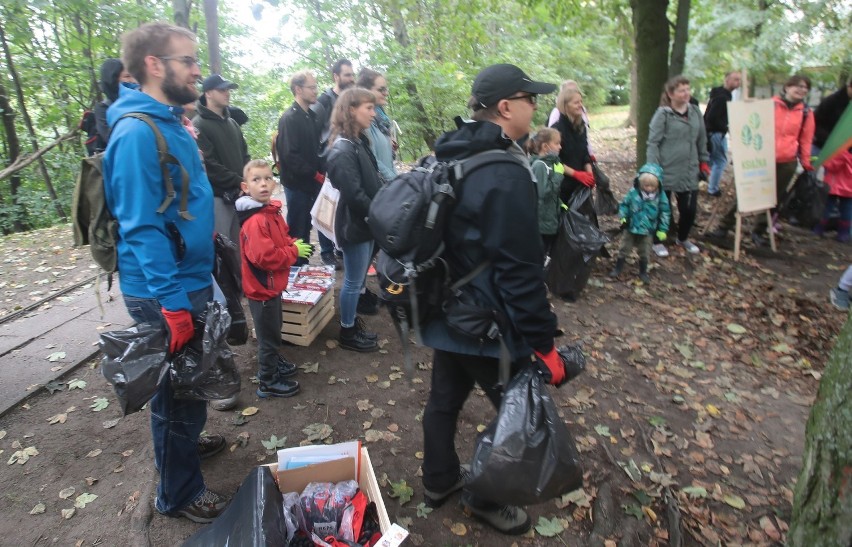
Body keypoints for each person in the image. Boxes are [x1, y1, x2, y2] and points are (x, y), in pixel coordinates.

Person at [418, 63, 563, 536]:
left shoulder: (449, 151)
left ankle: (439, 481)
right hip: (489, 322)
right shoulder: (506, 172)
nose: (536, 106)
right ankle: (485, 497)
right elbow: (519, 270)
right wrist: (543, 341)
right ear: (505, 107)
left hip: (447, 307)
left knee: (443, 402)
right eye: (530, 98)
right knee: (518, 417)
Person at [102, 21, 228, 523]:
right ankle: (176, 494)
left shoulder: (170, 121)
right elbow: (140, 228)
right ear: (155, 65)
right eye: (188, 60)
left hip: (188, 279)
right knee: (177, 396)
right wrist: (173, 303)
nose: (197, 70)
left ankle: (185, 450)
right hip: (164, 291)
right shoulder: (136, 132)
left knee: (189, 385)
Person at [707, 75, 815, 244]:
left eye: (805, 88)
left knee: (772, 199)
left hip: (787, 162)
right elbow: (750, 127)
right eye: (798, 86)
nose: (801, 90)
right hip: (762, 158)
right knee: (746, 193)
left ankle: (759, 232)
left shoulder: (806, 113)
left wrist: (806, 161)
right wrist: (744, 152)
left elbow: (806, 140)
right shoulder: (769, 105)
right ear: (787, 87)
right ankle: (723, 227)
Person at [236, 160, 310, 398]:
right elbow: (264, 257)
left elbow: (281, 238)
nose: (263, 183)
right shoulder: (256, 220)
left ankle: (274, 364)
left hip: (273, 286)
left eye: (267, 178)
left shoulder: (270, 211)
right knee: (268, 338)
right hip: (262, 289)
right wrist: (293, 253)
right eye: (256, 179)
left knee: (274, 329)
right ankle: (267, 380)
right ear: (245, 187)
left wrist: (290, 244)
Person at [325, 88, 382, 352]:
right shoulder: (342, 149)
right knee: (352, 281)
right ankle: (347, 330)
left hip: (367, 222)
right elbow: (354, 193)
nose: (373, 113)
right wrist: (376, 214)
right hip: (355, 223)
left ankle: (351, 323)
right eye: (368, 108)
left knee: (359, 281)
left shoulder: (358, 142)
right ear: (351, 110)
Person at [277, 70, 338, 268]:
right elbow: (289, 155)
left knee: (311, 225)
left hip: (313, 182)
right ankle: (295, 267)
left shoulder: (311, 116)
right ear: (298, 89)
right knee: (297, 228)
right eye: (311, 87)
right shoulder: (289, 118)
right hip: (297, 185)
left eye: (315, 87)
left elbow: (316, 149)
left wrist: (322, 170)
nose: (315, 91)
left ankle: (303, 265)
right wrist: (314, 174)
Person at [646, 75, 709, 257]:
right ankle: (657, 241)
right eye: (681, 90)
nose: (686, 93)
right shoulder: (663, 114)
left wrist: (704, 162)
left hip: (690, 170)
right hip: (665, 169)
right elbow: (653, 143)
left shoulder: (695, 112)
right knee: (662, 209)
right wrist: (652, 169)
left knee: (689, 210)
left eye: (688, 89)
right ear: (671, 94)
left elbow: (702, 139)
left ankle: (682, 238)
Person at [192, 74, 250, 249]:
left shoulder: (232, 123)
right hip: (218, 198)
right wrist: (240, 181)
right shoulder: (198, 124)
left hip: (240, 195)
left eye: (228, 90)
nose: (227, 93)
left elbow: (245, 154)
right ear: (208, 93)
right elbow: (209, 165)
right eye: (222, 90)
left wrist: (250, 179)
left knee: (242, 248)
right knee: (222, 250)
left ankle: (241, 278)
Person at [609, 163, 671, 283]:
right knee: (624, 248)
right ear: (640, 183)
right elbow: (624, 205)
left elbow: (665, 212)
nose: (649, 188)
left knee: (645, 251)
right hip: (631, 227)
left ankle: (643, 272)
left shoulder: (660, 197)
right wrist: (623, 217)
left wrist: (663, 229)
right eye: (646, 185)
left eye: (652, 186)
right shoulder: (634, 192)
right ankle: (618, 268)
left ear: (658, 184)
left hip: (648, 229)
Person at [549, 85, 595, 205]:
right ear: (566, 105)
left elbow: (585, 152)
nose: (580, 105)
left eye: (581, 101)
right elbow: (553, 160)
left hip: (580, 187)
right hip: (563, 187)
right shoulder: (557, 129)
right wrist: (576, 174)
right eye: (576, 102)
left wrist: (589, 174)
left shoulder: (581, 127)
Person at [525, 127, 564, 255]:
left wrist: (559, 203)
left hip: (550, 221)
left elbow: (551, 193)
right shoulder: (540, 166)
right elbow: (542, 193)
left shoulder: (550, 165)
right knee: (541, 255)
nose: (560, 147)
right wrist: (558, 176)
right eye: (557, 143)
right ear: (546, 147)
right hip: (542, 224)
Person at [704, 71, 742, 197]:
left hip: (714, 133)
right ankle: (713, 189)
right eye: (735, 79)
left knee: (709, 160)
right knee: (720, 161)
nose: (738, 82)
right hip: (716, 134)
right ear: (727, 80)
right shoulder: (722, 97)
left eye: (739, 80)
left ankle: (698, 181)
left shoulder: (723, 95)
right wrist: (725, 128)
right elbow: (711, 117)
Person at [355, 68, 397, 181]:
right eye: (381, 90)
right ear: (366, 91)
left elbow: (387, 160)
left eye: (386, 89)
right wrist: (395, 181)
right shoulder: (365, 123)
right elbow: (373, 161)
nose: (386, 93)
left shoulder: (381, 119)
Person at [87, 59, 137, 155]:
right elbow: (111, 139)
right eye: (127, 76)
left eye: (133, 76)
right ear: (113, 79)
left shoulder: (139, 101)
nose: (133, 81)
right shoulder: (103, 108)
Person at [312, 59, 356, 149]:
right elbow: (312, 134)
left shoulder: (354, 100)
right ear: (336, 76)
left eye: (352, 75)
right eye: (347, 75)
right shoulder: (323, 101)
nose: (351, 79)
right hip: (333, 157)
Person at [813, 146, 852, 242]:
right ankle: (843, 233)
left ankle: (819, 229)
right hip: (849, 188)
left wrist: (826, 160)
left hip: (833, 185)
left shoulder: (840, 153)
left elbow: (831, 166)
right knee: (847, 209)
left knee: (826, 207)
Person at [547, 80, 594, 157]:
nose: (580, 105)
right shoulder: (556, 115)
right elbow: (552, 142)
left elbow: (585, 143)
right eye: (576, 102)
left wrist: (590, 157)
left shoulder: (580, 122)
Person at [813, 77, 851, 155]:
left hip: (847, 148)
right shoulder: (831, 101)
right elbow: (815, 122)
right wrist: (831, 142)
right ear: (849, 87)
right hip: (825, 146)